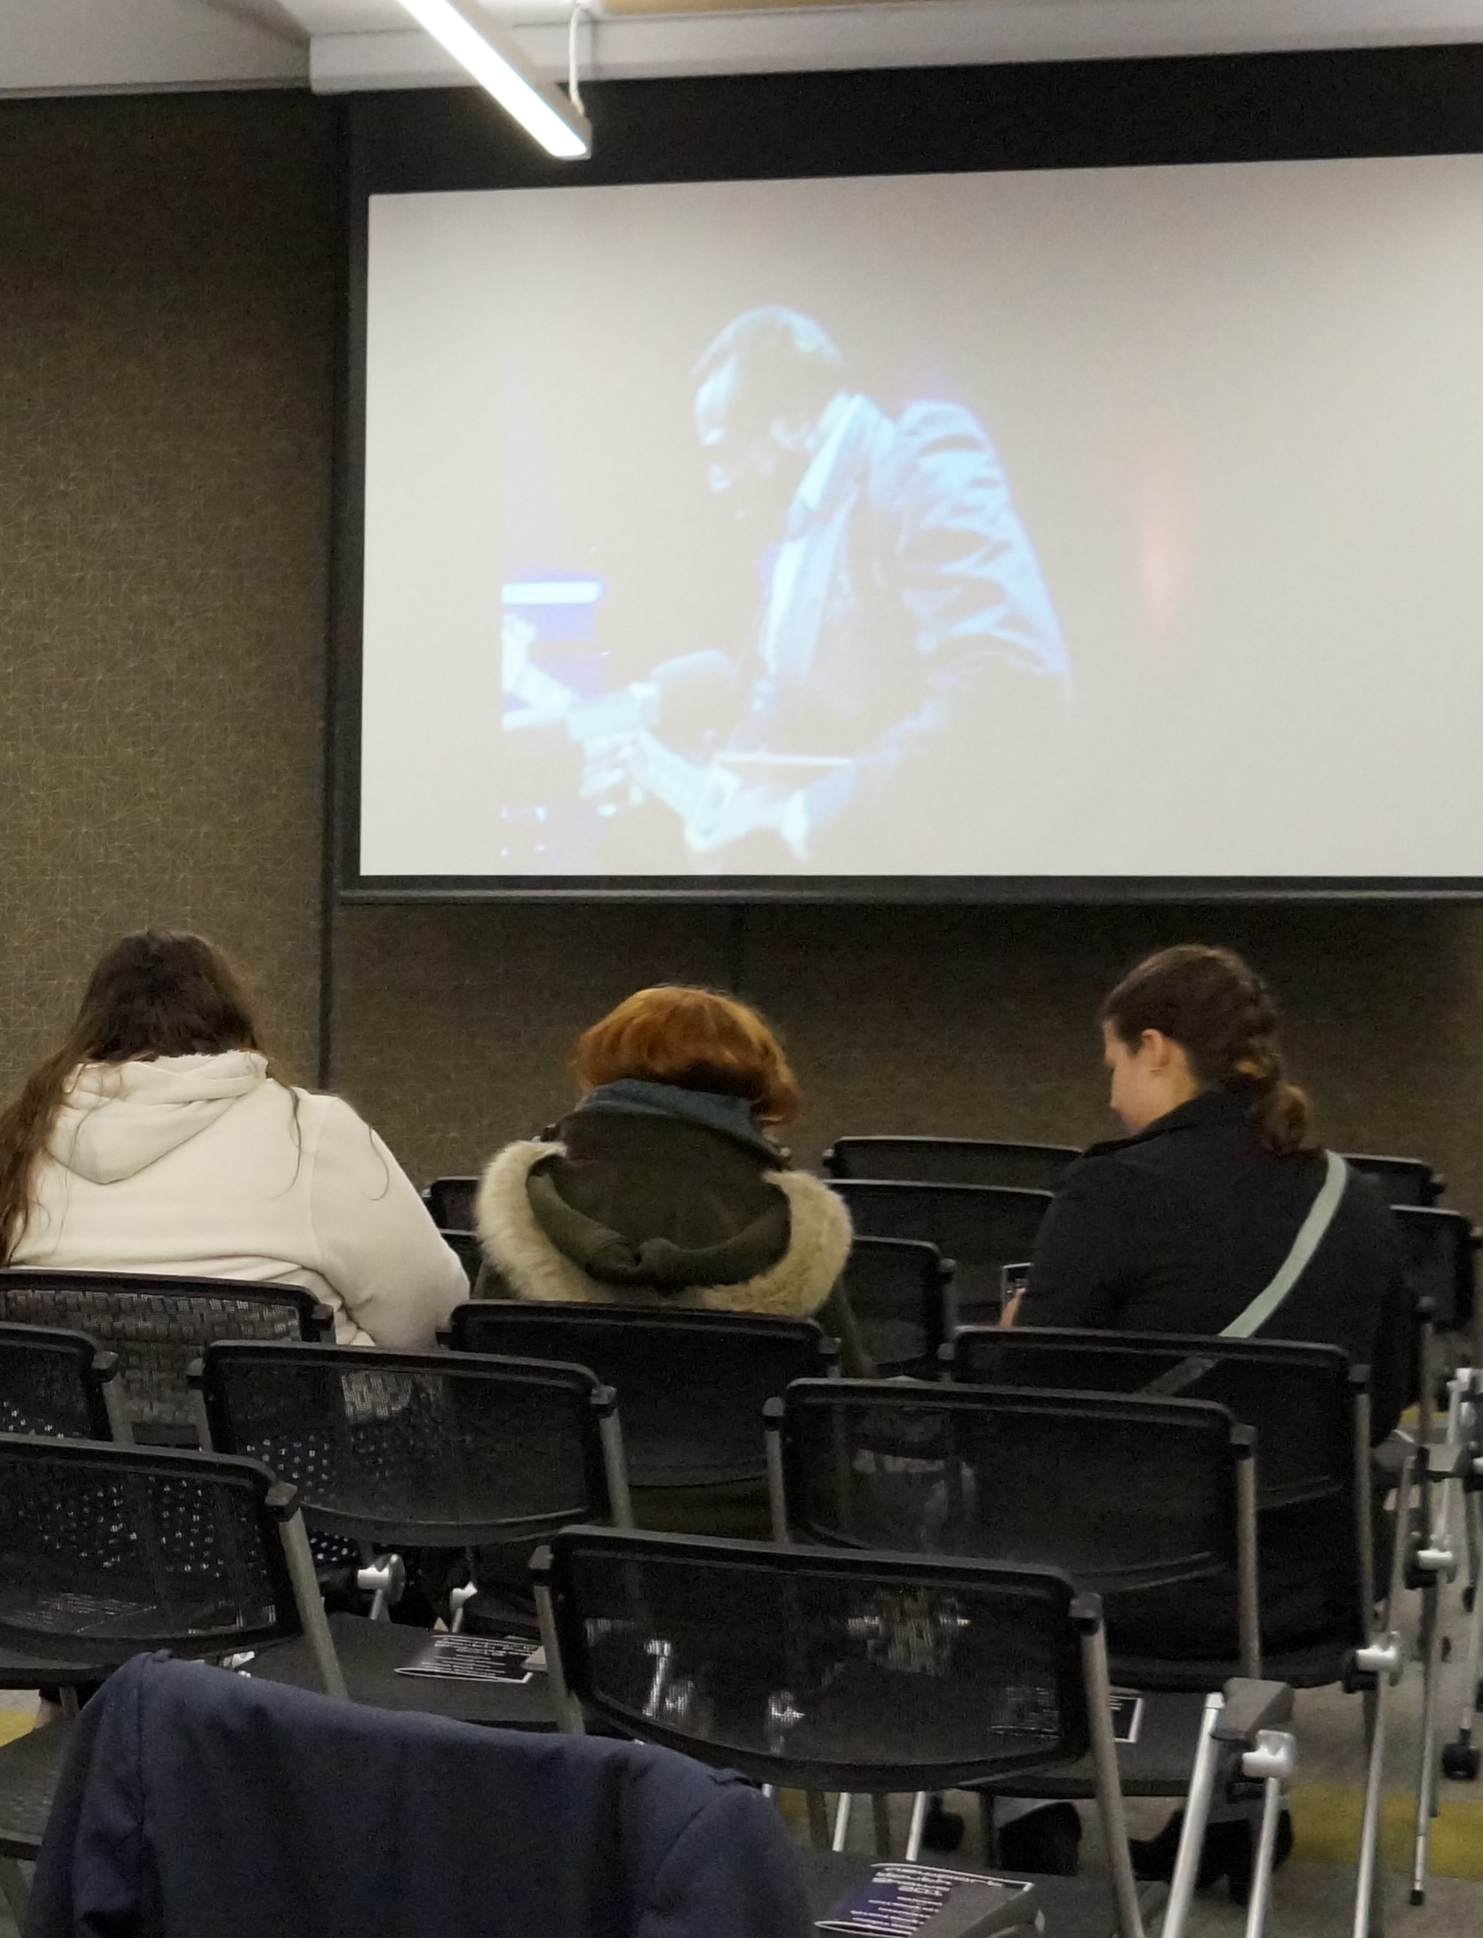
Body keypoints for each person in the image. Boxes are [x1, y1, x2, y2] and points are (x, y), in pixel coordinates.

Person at [561, 306, 1069, 862]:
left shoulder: (913, 456)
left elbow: (1005, 684)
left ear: (798, 413)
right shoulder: (802, 526)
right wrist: (676, 781)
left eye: (724, 451)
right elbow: (786, 724)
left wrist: (805, 818)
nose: (716, 482)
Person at [0, 930, 464, 1345]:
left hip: (71, 1444)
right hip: (298, 1443)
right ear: (229, 1015)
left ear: (91, 1024)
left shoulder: (20, 1136)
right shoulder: (312, 1129)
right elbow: (430, 1319)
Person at [1012, 945, 1409, 1381]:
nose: (1113, 1100)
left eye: (1115, 1066)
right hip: (1316, 1432)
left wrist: (1011, 1333)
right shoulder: (1354, 1197)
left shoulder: (1111, 1188)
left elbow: (1025, 1386)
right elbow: (1392, 1386)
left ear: (1153, 1048)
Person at [468, 983, 862, 1360]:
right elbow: (842, 1388)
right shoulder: (800, 1226)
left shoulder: (528, 1197)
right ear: (756, 1085)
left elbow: (483, 1370)